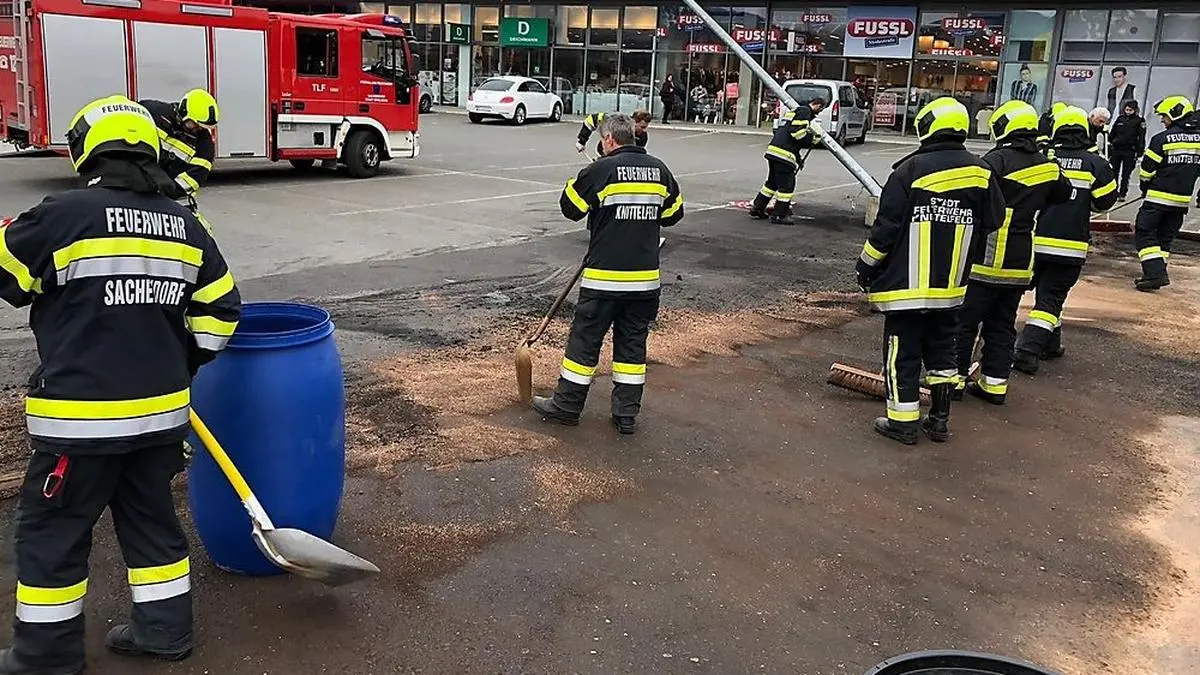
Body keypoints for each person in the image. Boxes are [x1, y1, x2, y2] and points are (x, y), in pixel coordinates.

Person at [0, 95, 241, 674]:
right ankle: (165, 634)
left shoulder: (58, 216)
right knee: (152, 525)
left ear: (88, 148)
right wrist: (180, 364)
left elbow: (10, 277)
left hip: (78, 426)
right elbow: (222, 311)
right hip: (161, 420)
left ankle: (45, 660)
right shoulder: (185, 224)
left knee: (53, 536)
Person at [855, 96, 1005, 445]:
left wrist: (865, 266)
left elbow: (885, 230)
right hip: (951, 287)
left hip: (907, 287)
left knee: (901, 353)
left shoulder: (909, 171)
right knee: (943, 352)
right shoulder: (982, 172)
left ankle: (902, 422)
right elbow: (994, 220)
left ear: (927, 126)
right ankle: (939, 421)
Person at [532, 113, 683, 434]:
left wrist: (581, 180)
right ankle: (625, 415)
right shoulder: (660, 170)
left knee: (585, 343)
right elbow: (673, 214)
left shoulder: (601, 170)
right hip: (644, 283)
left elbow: (570, 207)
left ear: (610, 140)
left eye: (603, 141)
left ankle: (566, 406)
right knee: (632, 347)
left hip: (605, 279)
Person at [954, 100, 1073, 405]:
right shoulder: (1047, 165)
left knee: (964, 323)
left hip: (984, 261)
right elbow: (1064, 192)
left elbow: (971, 197)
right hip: (1020, 265)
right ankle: (994, 385)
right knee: (1002, 326)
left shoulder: (996, 161)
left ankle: (953, 382)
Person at [1013, 105, 1117, 375]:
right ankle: (1027, 352)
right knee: (1050, 300)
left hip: (1032, 243)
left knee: (1019, 293)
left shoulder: (1043, 157)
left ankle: (1049, 344)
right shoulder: (1097, 164)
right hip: (1070, 247)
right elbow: (1104, 202)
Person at [1132, 95, 1200, 291]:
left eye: (1164, 116)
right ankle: (1157, 272)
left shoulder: (1162, 139)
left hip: (1157, 199)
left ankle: (1155, 274)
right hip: (1181, 203)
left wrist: (1145, 188)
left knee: (1145, 233)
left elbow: (1146, 170)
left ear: (1174, 114)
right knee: (1164, 238)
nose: (1162, 120)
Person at [747, 97, 826, 225]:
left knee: (772, 183)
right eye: (820, 108)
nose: (820, 112)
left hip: (775, 151)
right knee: (787, 186)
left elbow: (789, 133)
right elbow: (797, 134)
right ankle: (779, 215)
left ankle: (757, 208)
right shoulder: (805, 112)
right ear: (816, 105)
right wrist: (812, 138)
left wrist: (798, 159)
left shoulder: (796, 111)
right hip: (784, 155)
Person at [138, 89, 219, 200]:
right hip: (136, 184)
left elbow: (193, 179)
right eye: (196, 124)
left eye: (203, 127)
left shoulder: (204, 146)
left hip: (170, 197)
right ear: (184, 113)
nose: (199, 129)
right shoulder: (154, 112)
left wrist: (164, 192)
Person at [1108, 100, 1146, 201]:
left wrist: (1140, 151)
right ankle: (1113, 192)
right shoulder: (1120, 119)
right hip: (1117, 149)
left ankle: (1122, 193)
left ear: (1135, 110)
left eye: (1130, 110)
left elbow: (1141, 137)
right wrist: (1111, 141)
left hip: (1130, 150)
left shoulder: (1139, 121)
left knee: (1126, 174)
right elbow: (1113, 132)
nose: (1128, 112)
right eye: (1126, 109)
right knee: (1113, 172)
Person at [576, 109, 650, 158]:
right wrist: (581, 141)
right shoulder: (615, 121)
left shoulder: (642, 137)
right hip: (605, 151)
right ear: (634, 121)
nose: (644, 130)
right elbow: (590, 120)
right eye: (642, 127)